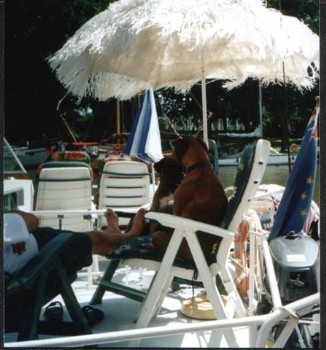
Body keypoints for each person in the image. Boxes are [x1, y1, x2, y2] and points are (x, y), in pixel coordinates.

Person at [4, 208, 147, 276]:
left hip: (35, 250)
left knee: (91, 238)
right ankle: (128, 235)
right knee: (95, 237)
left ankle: (111, 236)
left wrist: (18, 231)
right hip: (40, 258)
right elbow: (33, 220)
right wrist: (18, 221)